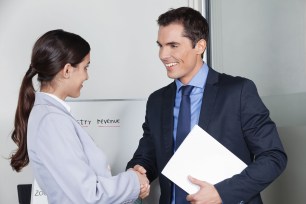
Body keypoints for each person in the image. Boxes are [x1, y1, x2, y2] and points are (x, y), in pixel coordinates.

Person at [126, 7, 287, 204]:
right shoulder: (157, 100)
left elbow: (273, 157)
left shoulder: (238, 92)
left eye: (173, 45)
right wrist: (139, 169)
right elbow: (148, 153)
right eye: (160, 45)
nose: (163, 54)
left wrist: (222, 193)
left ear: (200, 46)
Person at [10, 29, 149, 204]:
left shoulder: (49, 115)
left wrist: (133, 183)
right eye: (85, 67)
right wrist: (134, 181)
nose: (87, 76)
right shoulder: (52, 121)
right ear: (67, 70)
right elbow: (88, 195)